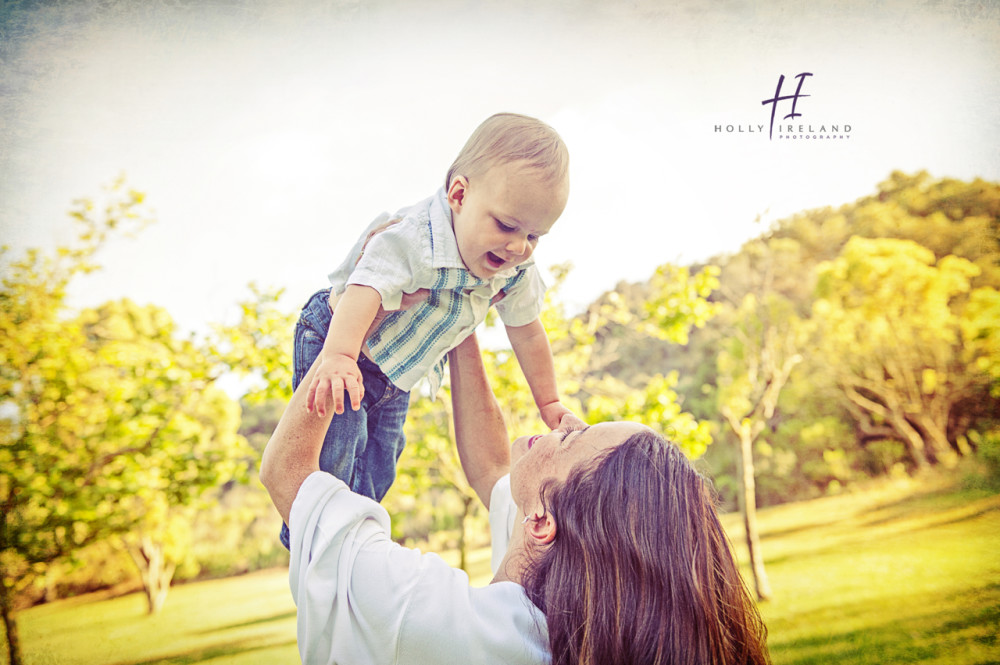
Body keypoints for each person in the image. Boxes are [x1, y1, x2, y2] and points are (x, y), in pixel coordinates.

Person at [260, 331, 772, 665]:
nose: (565, 419)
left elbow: (288, 473)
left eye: (574, 437)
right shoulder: (566, 627)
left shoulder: (427, 615)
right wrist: (457, 326)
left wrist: (348, 335)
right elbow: (490, 467)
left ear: (543, 523)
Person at [281, 113, 585, 547]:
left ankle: (355, 549)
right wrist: (339, 357)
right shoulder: (416, 238)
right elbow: (364, 287)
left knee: (382, 462)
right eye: (506, 225)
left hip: (396, 372)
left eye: (535, 235)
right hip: (342, 341)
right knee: (334, 456)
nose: (518, 247)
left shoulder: (515, 268)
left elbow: (528, 330)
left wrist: (549, 400)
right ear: (459, 194)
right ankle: (308, 541)